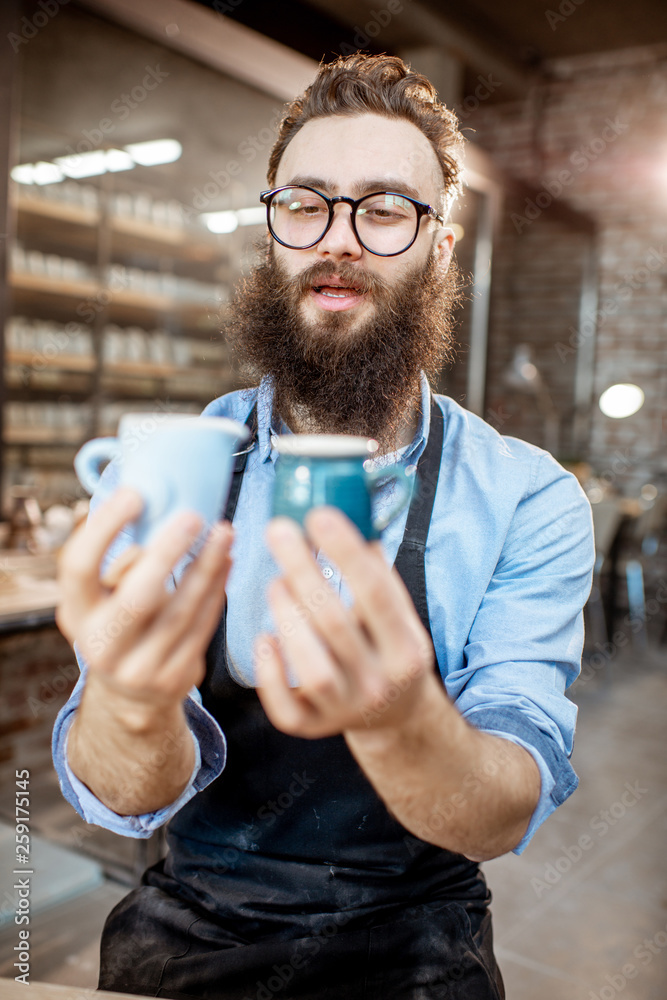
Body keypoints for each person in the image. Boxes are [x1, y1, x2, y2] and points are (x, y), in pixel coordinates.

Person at [53, 53, 594, 1000]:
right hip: (194, 931)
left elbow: (500, 810)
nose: (336, 239)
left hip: (421, 943)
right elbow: (122, 793)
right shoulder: (172, 468)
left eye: (385, 208)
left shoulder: (525, 498)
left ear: (441, 244)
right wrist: (130, 705)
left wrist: (398, 722)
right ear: (272, 231)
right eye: (305, 203)